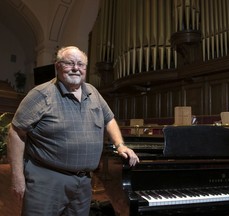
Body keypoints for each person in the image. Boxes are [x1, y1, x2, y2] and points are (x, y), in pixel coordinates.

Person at [8, 46, 139, 216]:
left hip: (83, 182)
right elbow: (16, 133)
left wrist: (120, 145)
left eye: (81, 64)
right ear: (58, 66)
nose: (76, 68)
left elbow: (109, 119)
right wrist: (17, 177)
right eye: (69, 63)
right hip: (47, 180)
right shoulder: (41, 94)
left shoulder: (93, 92)